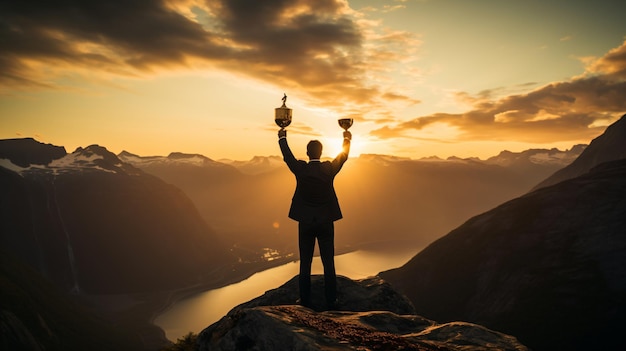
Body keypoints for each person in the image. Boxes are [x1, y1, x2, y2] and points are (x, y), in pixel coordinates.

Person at [278, 128, 351, 310]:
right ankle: (331, 301)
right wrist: (347, 137)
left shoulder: (301, 169)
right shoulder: (328, 169)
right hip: (326, 221)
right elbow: (343, 156)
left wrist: (282, 138)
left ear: (307, 153)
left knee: (305, 261)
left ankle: (304, 301)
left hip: (305, 222)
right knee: (329, 262)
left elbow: (288, 157)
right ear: (321, 152)